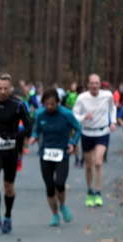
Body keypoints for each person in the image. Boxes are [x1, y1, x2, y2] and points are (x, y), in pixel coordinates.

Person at [0, 72, 31, 234]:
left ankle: (8, 216)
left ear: (11, 89)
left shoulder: (18, 105)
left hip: (11, 149)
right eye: (0, 88)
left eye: (5, 88)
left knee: (9, 186)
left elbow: (29, 127)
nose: (2, 91)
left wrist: (16, 136)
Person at [28, 88, 82, 226]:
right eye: (46, 104)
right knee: (50, 187)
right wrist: (33, 137)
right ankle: (54, 214)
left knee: (60, 183)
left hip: (62, 153)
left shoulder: (66, 114)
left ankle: (62, 206)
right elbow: (36, 130)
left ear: (58, 102)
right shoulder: (40, 114)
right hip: (45, 154)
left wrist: (73, 143)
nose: (49, 107)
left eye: (52, 104)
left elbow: (78, 128)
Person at [73, 73, 117, 207]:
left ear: (100, 84)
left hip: (102, 132)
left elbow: (113, 108)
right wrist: (83, 117)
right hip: (87, 133)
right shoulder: (82, 98)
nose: (94, 85)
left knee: (98, 162)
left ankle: (98, 192)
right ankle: (90, 191)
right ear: (88, 85)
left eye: (96, 83)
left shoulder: (107, 95)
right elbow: (74, 114)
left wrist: (113, 122)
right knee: (88, 166)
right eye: (92, 83)